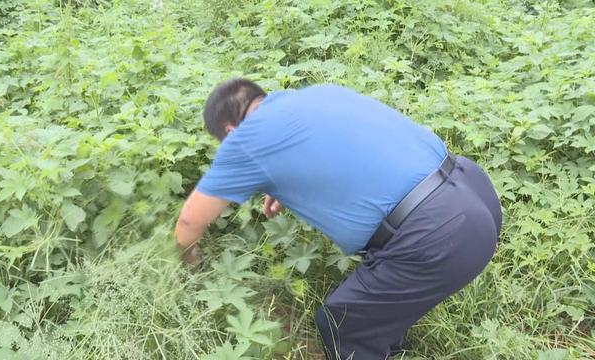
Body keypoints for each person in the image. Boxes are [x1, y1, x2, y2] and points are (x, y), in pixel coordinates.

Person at [174, 78, 502, 359]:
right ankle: (389, 341)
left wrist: (188, 263)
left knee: (342, 323)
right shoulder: (316, 94)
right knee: (374, 305)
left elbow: (189, 223)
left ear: (229, 131)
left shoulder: (244, 140)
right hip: (474, 190)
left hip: (438, 233)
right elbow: (348, 148)